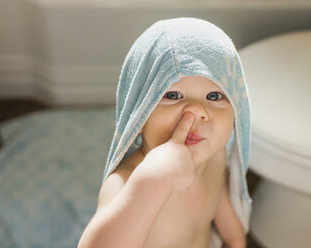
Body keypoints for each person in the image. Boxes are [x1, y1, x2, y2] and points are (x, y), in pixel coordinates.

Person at [77, 17, 252, 248]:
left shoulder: (214, 157)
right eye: (172, 95)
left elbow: (219, 201)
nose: (197, 111)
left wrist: (235, 240)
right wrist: (151, 182)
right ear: (138, 116)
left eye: (214, 96)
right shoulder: (126, 182)